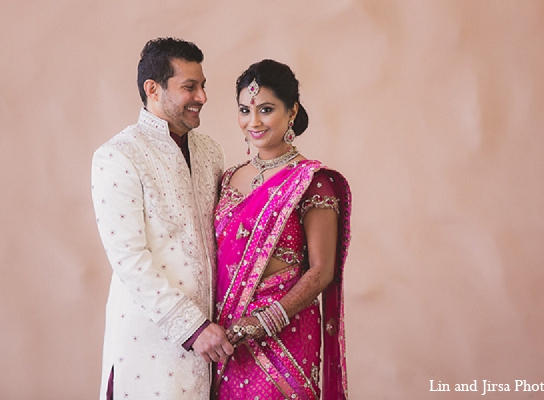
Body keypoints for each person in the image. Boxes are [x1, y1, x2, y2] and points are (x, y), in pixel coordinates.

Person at [91, 37, 233, 400]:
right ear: (152, 89)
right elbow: (129, 259)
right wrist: (192, 327)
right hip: (150, 344)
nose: (202, 96)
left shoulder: (209, 151)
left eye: (202, 86)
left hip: (212, 344)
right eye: (190, 87)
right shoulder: (119, 156)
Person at [212, 59, 352, 399]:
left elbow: (322, 272)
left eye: (266, 109)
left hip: (284, 331)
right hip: (228, 333)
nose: (253, 121)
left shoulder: (313, 182)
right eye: (245, 110)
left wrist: (266, 320)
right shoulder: (228, 178)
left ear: (292, 112)